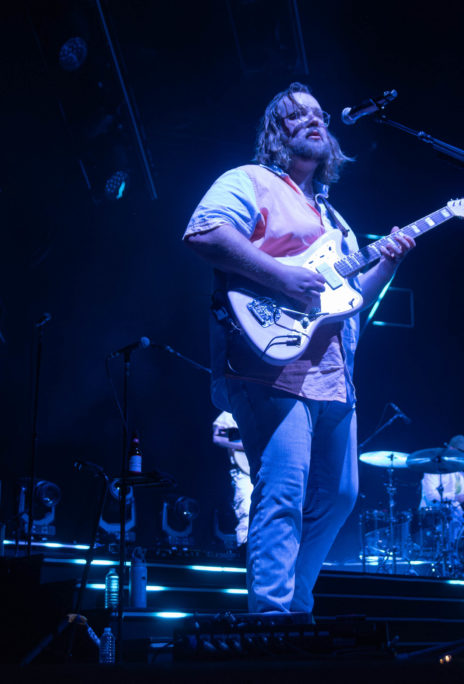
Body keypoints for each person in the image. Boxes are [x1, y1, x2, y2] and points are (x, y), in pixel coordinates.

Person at [183, 83, 415, 616]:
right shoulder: (250, 180)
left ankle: (295, 608)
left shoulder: (338, 223)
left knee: (340, 496)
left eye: (319, 115)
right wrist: (281, 277)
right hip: (268, 364)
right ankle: (270, 618)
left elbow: (349, 301)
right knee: (283, 491)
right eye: (297, 115)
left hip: (333, 374)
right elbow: (203, 232)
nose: (313, 121)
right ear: (275, 131)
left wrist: (389, 263)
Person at [212, 411, 252, 546]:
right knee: (247, 512)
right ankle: (245, 550)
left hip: (265, 471)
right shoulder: (230, 412)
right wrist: (245, 445)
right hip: (244, 472)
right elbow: (218, 437)